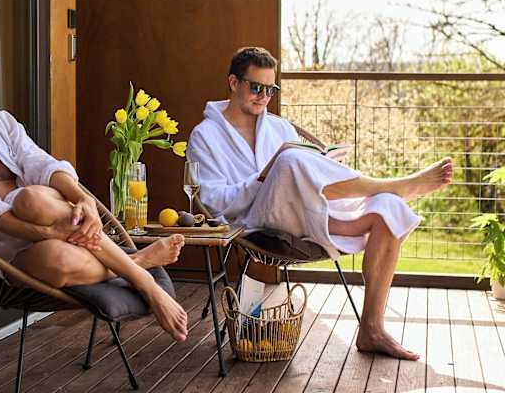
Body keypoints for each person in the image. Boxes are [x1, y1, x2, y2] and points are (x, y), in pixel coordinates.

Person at [0, 22, 188, 341]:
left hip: (59, 221)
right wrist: (48, 233)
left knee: (31, 199)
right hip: (5, 256)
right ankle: (138, 263)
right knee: (58, 258)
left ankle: (142, 280)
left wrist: (84, 201)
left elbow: (42, 163)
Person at [187, 46, 452, 360]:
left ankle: (372, 329)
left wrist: (322, 163)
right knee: (289, 161)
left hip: (306, 211)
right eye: (256, 87)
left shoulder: (279, 127)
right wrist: (262, 178)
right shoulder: (205, 136)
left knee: (388, 208)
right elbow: (213, 202)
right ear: (233, 82)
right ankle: (393, 185)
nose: (263, 96)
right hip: (254, 219)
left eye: (270, 89)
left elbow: (303, 174)